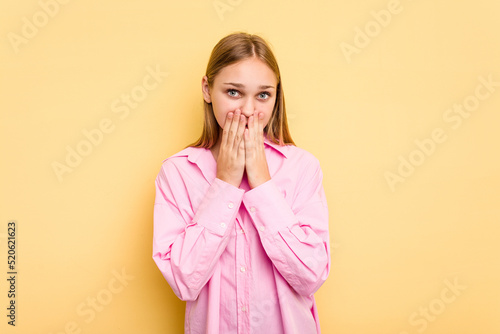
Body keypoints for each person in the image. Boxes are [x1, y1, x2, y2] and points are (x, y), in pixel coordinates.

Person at [152, 32, 331, 334]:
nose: (249, 111)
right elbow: (183, 281)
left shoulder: (302, 167)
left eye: (263, 95)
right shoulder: (178, 173)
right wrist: (225, 183)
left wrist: (261, 182)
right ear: (208, 90)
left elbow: (311, 275)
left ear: (276, 96)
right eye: (233, 92)